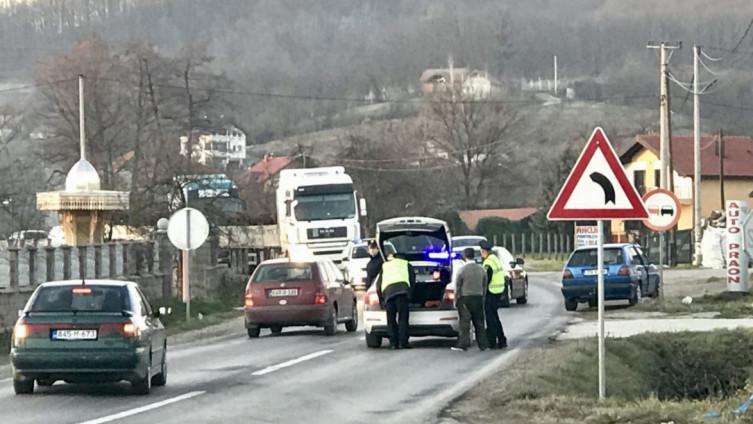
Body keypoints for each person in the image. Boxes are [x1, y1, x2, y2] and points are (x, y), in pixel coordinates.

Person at [451, 248, 489, 351]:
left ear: (465, 256)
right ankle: (483, 345)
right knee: (479, 322)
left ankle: (463, 344)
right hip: (478, 297)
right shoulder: (481, 269)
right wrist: (483, 297)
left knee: (465, 323)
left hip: (465, 298)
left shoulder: (462, 270)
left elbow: (458, 286)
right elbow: (485, 285)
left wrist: (456, 299)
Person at [376, 251, 415, 349]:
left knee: (391, 319)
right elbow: (413, 282)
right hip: (402, 293)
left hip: (388, 294)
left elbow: (378, 285)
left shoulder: (385, 266)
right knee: (402, 318)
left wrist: (382, 299)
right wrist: (410, 295)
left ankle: (393, 343)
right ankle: (403, 342)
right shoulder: (406, 264)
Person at [480, 241, 508, 349]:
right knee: (495, 318)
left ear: (484, 251)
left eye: (482, 252)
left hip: (491, 292)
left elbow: (486, 279)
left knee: (491, 319)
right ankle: (502, 340)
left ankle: (492, 342)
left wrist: (482, 291)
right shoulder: (495, 259)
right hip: (498, 291)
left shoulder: (488, 263)